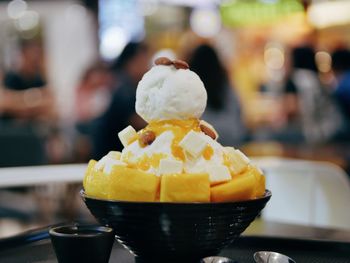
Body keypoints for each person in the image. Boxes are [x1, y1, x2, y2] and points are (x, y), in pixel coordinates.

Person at [92, 42, 150, 159]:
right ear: (131, 62)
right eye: (144, 61)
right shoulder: (122, 85)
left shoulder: (124, 81)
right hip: (110, 152)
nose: (147, 66)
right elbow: (137, 120)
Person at [188, 44, 247, 146]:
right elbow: (239, 114)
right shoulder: (225, 86)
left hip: (201, 143)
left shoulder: (190, 88)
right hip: (231, 139)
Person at [283, 45, 344, 144]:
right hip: (333, 129)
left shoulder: (295, 78)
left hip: (310, 134)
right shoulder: (316, 78)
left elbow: (291, 111)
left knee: (265, 136)